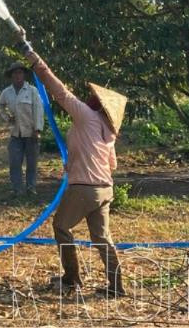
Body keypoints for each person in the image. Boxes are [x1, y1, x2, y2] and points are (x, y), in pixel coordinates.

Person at [14, 30, 127, 298]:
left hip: (84, 187)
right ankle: (117, 286)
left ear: (94, 103)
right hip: (104, 190)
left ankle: (72, 279)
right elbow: (111, 164)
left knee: (61, 227)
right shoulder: (108, 130)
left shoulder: (86, 115)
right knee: (102, 238)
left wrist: (29, 52)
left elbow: (58, 89)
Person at [0, 61, 44, 196]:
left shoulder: (32, 91)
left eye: (20, 73)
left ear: (23, 75)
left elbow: (38, 110)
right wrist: (7, 118)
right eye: (15, 73)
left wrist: (37, 129)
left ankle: (31, 187)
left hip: (31, 132)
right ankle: (17, 188)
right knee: (15, 163)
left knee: (32, 163)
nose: (18, 76)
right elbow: (0, 106)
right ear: (11, 76)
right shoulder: (7, 92)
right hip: (15, 133)